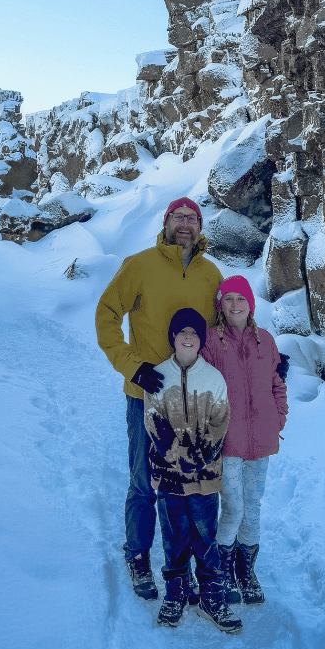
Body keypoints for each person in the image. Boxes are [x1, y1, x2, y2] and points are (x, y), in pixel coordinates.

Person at [95, 197, 222, 600]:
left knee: (190, 485)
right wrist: (132, 366)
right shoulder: (140, 264)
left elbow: (223, 335)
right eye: (178, 217)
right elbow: (106, 314)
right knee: (143, 481)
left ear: (200, 227)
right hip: (146, 395)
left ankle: (180, 566)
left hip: (193, 400)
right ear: (166, 222)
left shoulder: (210, 274)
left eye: (192, 218)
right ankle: (137, 555)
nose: (185, 224)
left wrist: (268, 359)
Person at [143, 309, 242, 633]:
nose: (188, 337)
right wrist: (176, 455)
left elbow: (220, 422)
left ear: (201, 340)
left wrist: (197, 457)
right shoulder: (157, 376)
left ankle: (212, 597)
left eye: (195, 333)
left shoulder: (213, 379)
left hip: (204, 480)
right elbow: (154, 422)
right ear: (173, 337)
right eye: (182, 332)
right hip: (169, 479)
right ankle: (176, 592)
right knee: (173, 537)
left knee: (205, 536)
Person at [201, 275, 287, 605]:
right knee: (233, 508)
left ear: (250, 304)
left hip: (261, 440)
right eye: (228, 299)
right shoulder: (209, 342)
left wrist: (278, 417)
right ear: (219, 305)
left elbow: (277, 384)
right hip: (228, 442)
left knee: (253, 509)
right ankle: (221, 570)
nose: (235, 304)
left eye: (241, 299)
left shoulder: (266, 340)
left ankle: (245, 570)